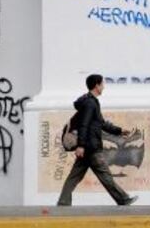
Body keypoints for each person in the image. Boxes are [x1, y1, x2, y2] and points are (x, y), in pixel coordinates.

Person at [57, 74, 138, 206]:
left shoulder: (91, 102)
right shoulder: (90, 103)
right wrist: (81, 146)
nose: (103, 87)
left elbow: (101, 123)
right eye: (102, 84)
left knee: (74, 176)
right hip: (91, 147)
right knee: (105, 175)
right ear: (96, 85)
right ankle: (123, 199)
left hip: (87, 147)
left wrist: (119, 130)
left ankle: (63, 201)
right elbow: (85, 124)